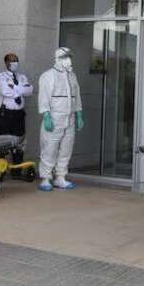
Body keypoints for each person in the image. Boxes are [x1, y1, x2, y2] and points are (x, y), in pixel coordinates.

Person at [38, 47, 83, 192]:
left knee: (66, 149)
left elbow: (77, 96)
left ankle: (60, 177)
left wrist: (79, 115)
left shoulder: (72, 76)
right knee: (49, 148)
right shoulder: (48, 75)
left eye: (69, 57)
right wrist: (46, 115)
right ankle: (45, 178)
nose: (69, 60)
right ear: (58, 59)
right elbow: (43, 97)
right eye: (65, 57)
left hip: (69, 118)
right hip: (54, 118)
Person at [0, 52, 33, 169]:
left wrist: (15, 87)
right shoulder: (1, 77)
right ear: (6, 63)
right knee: (1, 143)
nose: (15, 63)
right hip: (6, 113)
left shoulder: (22, 77)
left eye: (16, 60)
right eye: (12, 61)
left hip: (19, 114)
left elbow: (29, 91)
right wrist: (21, 90)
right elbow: (5, 91)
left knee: (19, 142)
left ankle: (17, 170)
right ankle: (0, 171)